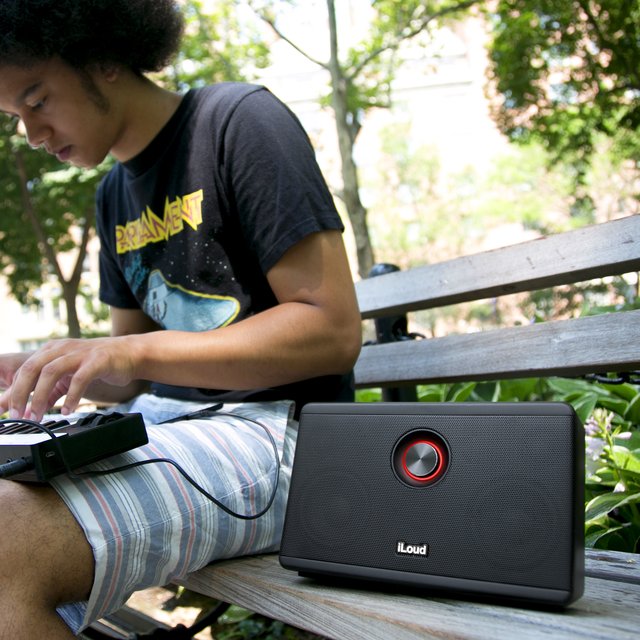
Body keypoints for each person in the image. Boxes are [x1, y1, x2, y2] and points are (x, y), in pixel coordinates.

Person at [0, 1, 362, 637]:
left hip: (285, 438)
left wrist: (133, 356)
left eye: (37, 100)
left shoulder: (239, 121)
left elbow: (330, 329)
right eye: (13, 116)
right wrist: (40, 368)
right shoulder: (113, 194)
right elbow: (126, 374)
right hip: (167, 426)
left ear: (103, 58)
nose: (31, 133)